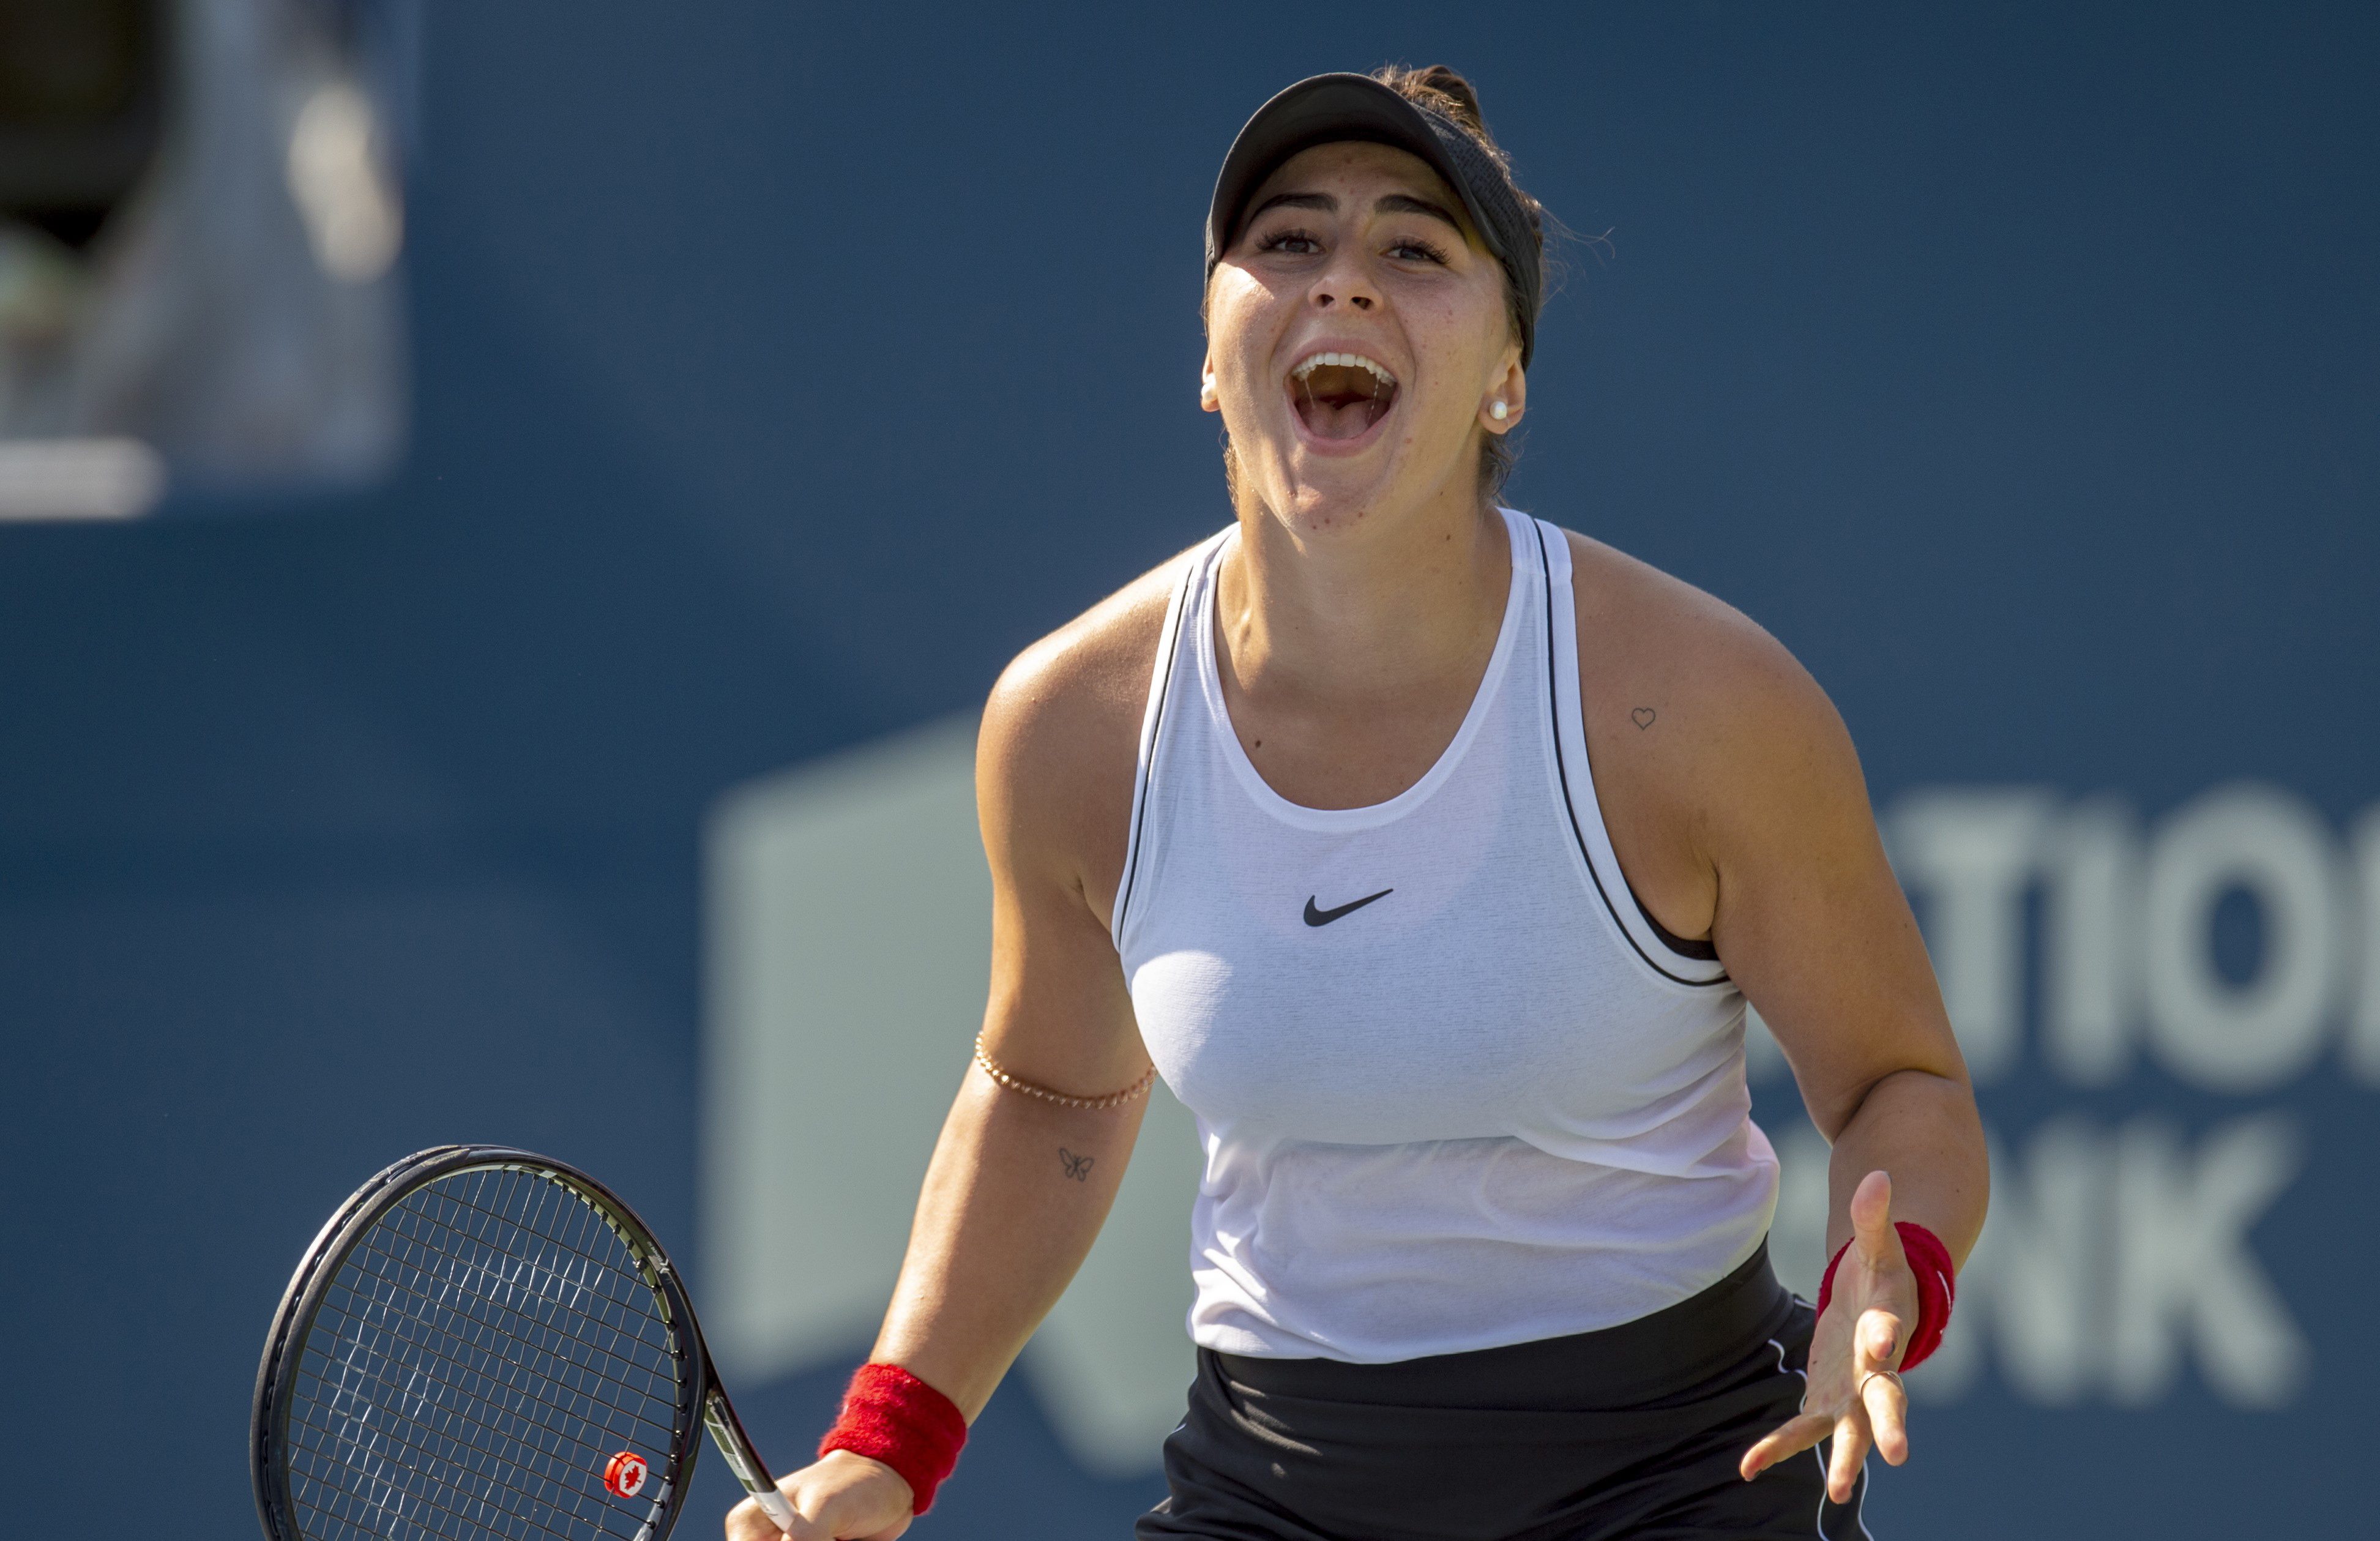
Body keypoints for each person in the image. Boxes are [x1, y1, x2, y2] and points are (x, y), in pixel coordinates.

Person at [728, 64, 1986, 1541]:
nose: (1341, 285)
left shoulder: (1694, 707)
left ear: (1506, 375)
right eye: (1287, 243)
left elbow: (1899, 1083)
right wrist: (888, 1440)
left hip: (1682, 1481)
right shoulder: (1075, 726)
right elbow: (1051, 1092)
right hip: (1274, 1487)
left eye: (1412, 248)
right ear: (1210, 353)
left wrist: (1887, 1269)